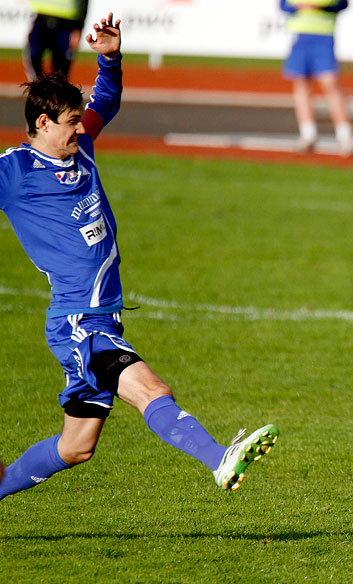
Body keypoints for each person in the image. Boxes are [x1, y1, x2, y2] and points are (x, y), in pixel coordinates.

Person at [0, 13, 279, 503]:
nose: (77, 129)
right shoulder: (15, 170)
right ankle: (219, 458)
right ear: (41, 123)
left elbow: (105, 99)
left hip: (102, 317)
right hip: (78, 322)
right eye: (69, 123)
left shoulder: (80, 146)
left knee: (76, 447)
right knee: (150, 387)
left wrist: (110, 57)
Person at [280, 0, 353, 156]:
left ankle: (345, 136)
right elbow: (283, 5)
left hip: (324, 36)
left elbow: (342, 4)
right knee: (301, 85)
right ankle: (307, 134)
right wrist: (298, 6)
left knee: (330, 83)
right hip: (299, 35)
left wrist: (321, 6)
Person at [24, 0, 89, 81]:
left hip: (67, 24)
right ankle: (39, 88)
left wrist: (78, 27)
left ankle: (58, 90)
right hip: (41, 18)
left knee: (61, 68)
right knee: (34, 56)